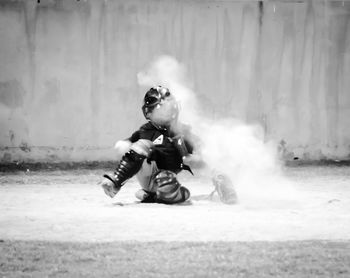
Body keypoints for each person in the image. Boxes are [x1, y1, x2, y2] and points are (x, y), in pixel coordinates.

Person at [99, 86, 237, 204]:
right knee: (143, 145)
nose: (166, 112)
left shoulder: (182, 131)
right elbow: (128, 145)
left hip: (167, 177)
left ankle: (163, 194)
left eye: (167, 107)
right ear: (149, 113)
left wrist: (218, 172)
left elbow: (203, 152)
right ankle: (116, 183)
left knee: (201, 155)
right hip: (149, 173)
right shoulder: (146, 131)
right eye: (160, 109)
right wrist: (125, 146)